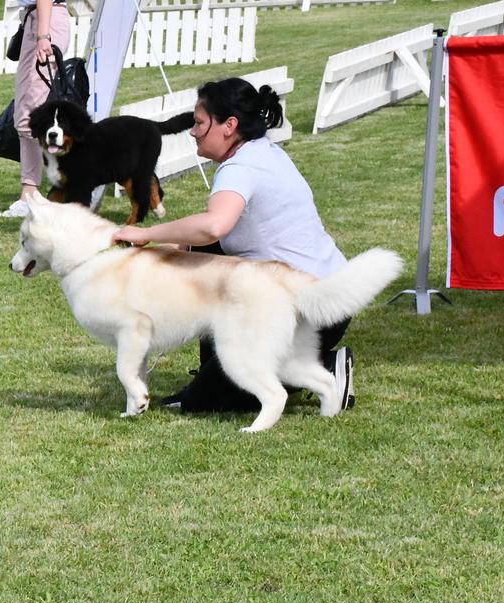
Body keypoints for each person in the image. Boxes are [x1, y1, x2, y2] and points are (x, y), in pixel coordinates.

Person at [113, 78, 356, 414]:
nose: (192, 132)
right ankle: (220, 372)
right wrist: (177, 244)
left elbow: (214, 225)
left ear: (229, 126)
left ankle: (323, 367)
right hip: (331, 296)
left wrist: (147, 233)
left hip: (308, 311)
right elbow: (215, 237)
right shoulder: (264, 152)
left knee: (207, 402)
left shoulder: (239, 168)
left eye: (199, 123)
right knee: (205, 261)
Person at [0, 0, 70, 219]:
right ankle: (31, 192)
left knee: (30, 114)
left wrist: (43, 36)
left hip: (43, 22)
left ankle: (32, 194)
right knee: (28, 113)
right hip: (36, 20)